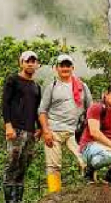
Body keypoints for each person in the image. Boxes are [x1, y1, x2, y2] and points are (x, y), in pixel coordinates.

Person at [38, 54, 93, 194]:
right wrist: (45, 131)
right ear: (56, 68)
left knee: (86, 159)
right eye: (62, 65)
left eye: (67, 65)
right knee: (53, 165)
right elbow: (42, 111)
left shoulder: (82, 86)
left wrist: (91, 131)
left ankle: (92, 189)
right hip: (54, 130)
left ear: (72, 67)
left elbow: (90, 109)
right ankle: (54, 195)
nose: (65, 68)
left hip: (75, 131)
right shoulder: (52, 86)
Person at [1, 50, 42, 203]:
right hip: (15, 128)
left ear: (37, 65)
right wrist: (8, 125)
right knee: (12, 161)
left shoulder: (36, 86)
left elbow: (38, 109)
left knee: (24, 163)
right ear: (21, 63)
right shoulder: (13, 80)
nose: (30, 64)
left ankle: (18, 199)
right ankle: (9, 200)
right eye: (27, 61)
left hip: (31, 130)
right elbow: (5, 103)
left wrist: (40, 128)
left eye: (33, 61)